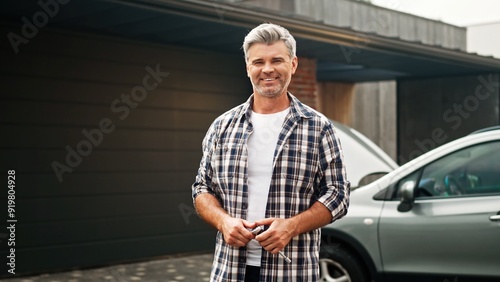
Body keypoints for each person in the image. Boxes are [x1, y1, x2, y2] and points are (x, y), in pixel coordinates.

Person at [192, 23, 350, 281]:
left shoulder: (319, 128)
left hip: (291, 271)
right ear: (247, 68)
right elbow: (201, 189)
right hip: (230, 271)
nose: (267, 69)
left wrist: (291, 227)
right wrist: (223, 222)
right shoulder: (222, 127)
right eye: (258, 62)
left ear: (293, 64)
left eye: (277, 60)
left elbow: (339, 194)